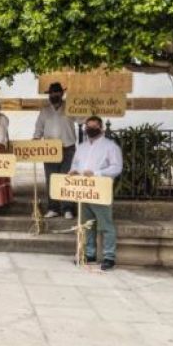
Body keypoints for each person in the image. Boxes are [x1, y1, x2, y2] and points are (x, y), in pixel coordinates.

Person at [69, 116, 123, 271]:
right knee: (87, 225)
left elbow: (116, 167)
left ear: (101, 129)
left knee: (106, 225)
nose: (89, 129)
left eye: (93, 126)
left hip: (101, 190)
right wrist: (74, 171)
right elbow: (75, 163)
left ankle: (109, 257)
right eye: (88, 126)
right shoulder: (82, 146)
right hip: (84, 191)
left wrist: (96, 173)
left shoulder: (110, 147)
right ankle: (89, 254)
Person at [34, 82, 78, 219]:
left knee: (67, 178)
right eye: (51, 93)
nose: (53, 95)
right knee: (51, 179)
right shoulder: (44, 111)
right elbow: (38, 129)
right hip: (50, 150)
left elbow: (82, 119)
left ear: (62, 93)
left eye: (56, 92)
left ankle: (67, 209)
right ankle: (53, 208)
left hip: (68, 147)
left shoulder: (71, 108)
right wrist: (35, 141)